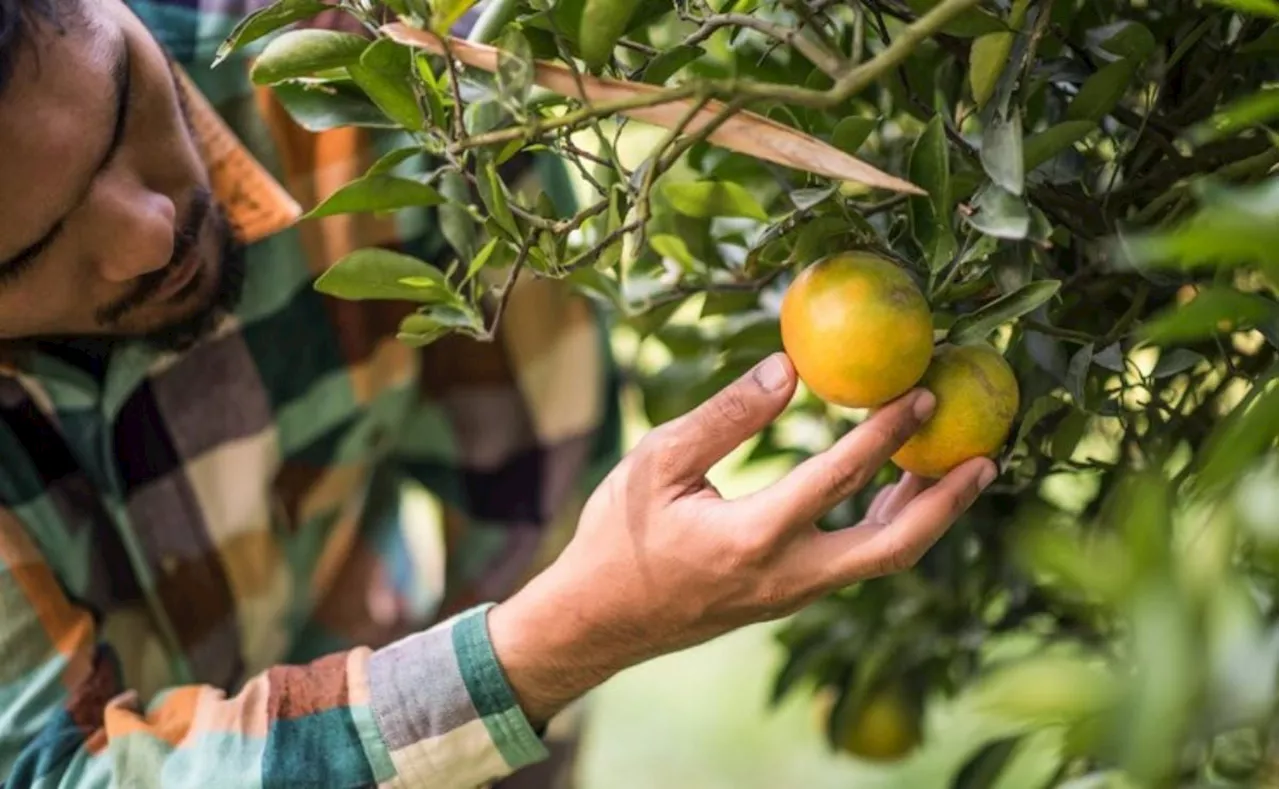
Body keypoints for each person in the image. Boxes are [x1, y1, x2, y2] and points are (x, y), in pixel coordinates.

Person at [0, 1, 997, 788]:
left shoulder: (381, 88)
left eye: (127, 102)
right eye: (31, 250)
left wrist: (524, 697)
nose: (149, 230)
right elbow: (49, 771)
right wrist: (541, 649)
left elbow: (531, 497)